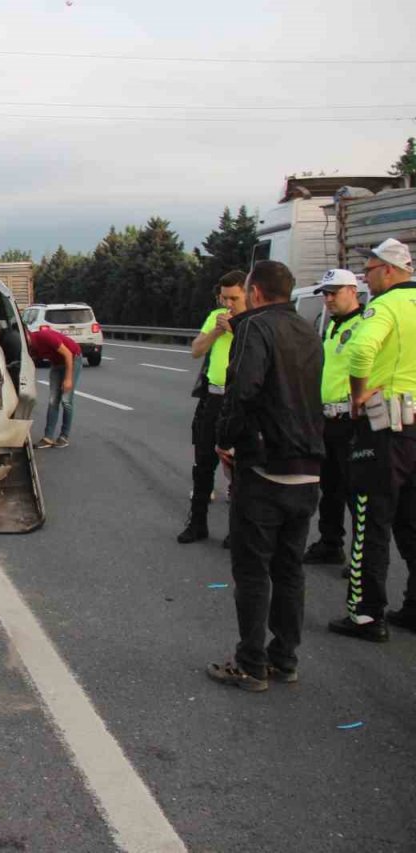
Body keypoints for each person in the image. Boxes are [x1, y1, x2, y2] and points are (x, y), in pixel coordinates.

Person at [207, 260, 323, 692]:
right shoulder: (310, 330)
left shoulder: (253, 329)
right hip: (308, 467)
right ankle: (284, 659)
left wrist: (225, 439)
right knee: (290, 569)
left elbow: (244, 391)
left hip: (265, 466)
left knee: (253, 570)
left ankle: (251, 663)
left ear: (254, 293)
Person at [328, 238, 416, 642]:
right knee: (411, 522)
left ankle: (366, 614)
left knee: (370, 521)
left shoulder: (387, 306)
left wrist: (359, 391)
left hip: (384, 429)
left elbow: (362, 349)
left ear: (392, 270)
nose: (366, 275)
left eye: (372, 268)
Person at [178, 271, 248, 544]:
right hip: (213, 396)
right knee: (203, 461)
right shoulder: (216, 317)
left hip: (238, 398)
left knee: (238, 466)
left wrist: (236, 328)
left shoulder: (253, 319)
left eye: (235, 298)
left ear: (248, 294)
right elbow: (196, 349)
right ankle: (197, 523)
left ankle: (237, 530)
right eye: (224, 298)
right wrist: (218, 329)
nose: (228, 304)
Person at [303, 269, 364, 569]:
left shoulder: (365, 324)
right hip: (327, 420)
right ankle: (330, 543)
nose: (327, 299)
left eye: (333, 292)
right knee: (330, 487)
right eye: (324, 294)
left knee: (355, 492)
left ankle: (361, 558)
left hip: (350, 419)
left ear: (352, 291)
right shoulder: (332, 326)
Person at [27, 325, 81, 448]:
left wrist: (68, 379)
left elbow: (67, 354)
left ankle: (64, 436)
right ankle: (48, 438)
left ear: (27, 334)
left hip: (73, 358)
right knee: (53, 400)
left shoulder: (45, 337)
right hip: (57, 364)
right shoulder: (30, 348)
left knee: (66, 400)